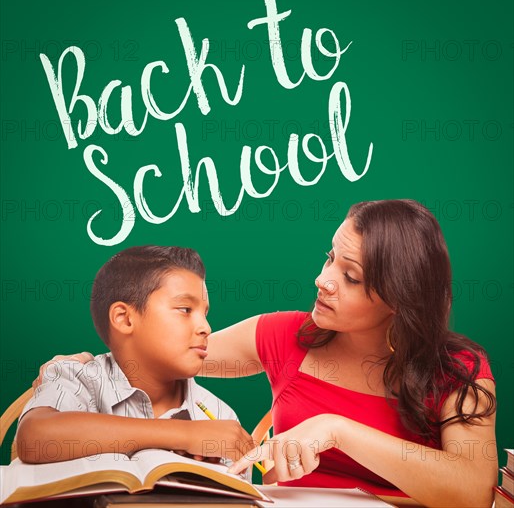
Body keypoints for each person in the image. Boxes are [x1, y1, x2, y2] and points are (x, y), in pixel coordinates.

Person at [37, 200, 497, 507]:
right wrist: (96, 361)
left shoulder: (458, 369)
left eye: (350, 276)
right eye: (328, 258)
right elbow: (165, 349)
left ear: (400, 297)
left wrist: (338, 430)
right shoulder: (284, 335)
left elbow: (474, 491)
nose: (324, 279)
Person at [18, 246, 253, 464]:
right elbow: (34, 437)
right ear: (125, 318)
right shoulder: (79, 379)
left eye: (205, 313)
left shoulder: (219, 416)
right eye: (185, 310)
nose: (206, 327)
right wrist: (183, 434)